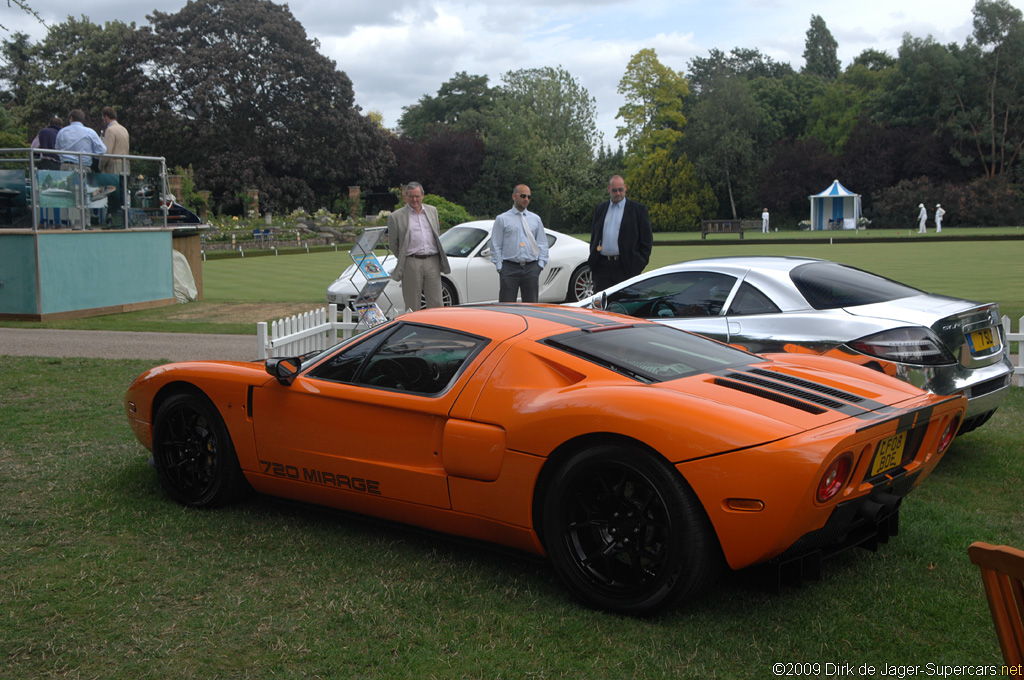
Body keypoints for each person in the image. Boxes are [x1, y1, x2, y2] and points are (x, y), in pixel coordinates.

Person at [386, 182, 450, 312]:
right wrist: (405, 257)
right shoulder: (396, 217)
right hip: (411, 262)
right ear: (406, 196)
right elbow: (393, 244)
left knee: (436, 301)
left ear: (422, 195)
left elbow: (436, 233)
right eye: (411, 196)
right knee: (412, 302)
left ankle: (436, 331)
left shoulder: (432, 211)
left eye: (417, 196)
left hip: (432, 260)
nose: (414, 200)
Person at [588, 175, 652, 292]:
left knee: (625, 304)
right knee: (601, 305)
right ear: (608, 189)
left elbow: (646, 241)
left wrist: (639, 263)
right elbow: (594, 237)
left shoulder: (638, 210)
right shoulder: (600, 209)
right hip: (602, 266)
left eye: (620, 190)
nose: (618, 193)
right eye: (614, 190)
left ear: (625, 188)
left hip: (626, 266)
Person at [491, 184, 548, 303]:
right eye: (523, 196)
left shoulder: (535, 219)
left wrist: (540, 264)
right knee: (507, 308)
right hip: (509, 268)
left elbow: (542, 243)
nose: (526, 199)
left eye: (529, 197)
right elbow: (496, 244)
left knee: (531, 307)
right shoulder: (502, 219)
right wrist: (500, 267)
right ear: (514, 196)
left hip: (531, 268)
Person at [99, 106, 130, 174]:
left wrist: (100, 165)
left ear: (106, 116)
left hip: (113, 167)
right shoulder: (124, 129)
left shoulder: (110, 130)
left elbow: (107, 151)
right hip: (125, 165)